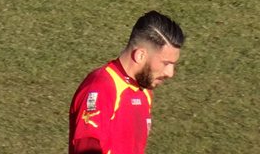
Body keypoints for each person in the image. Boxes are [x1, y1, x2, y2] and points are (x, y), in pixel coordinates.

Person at [69, 11, 184, 154]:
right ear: (140, 55)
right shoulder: (101, 87)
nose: (170, 73)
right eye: (166, 63)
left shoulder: (144, 92)